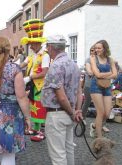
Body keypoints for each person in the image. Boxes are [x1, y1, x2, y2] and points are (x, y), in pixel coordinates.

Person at [0, 37, 30, 165]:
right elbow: (21, 96)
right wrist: (28, 118)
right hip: (9, 114)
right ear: (8, 50)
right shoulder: (14, 69)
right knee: (9, 151)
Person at [41, 35, 83, 165]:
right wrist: (77, 110)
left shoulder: (56, 66)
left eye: (47, 47)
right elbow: (79, 91)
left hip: (57, 113)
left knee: (58, 155)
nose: (46, 50)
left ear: (51, 47)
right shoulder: (74, 65)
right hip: (68, 113)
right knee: (68, 149)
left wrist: (72, 112)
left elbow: (61, 96)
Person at [19, 19, 50, 142]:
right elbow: (22, 64)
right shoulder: (32, 55)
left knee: (40, 108)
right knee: (33, 107)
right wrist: (11, 67)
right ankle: (35, 129)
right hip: (32, 85)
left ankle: (42, 132)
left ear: (37, 43)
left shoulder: (45, 55)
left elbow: (44, 72)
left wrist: (29, 77)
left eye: (32, 44)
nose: (30, 46)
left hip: (40, 86)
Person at [90, 40, 117, 138]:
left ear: (105, 49)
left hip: (107, 86)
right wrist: (109, 74)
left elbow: (115, 74)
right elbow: (96, 74)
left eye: (99, 48)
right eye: (96, 48)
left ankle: (94, 125)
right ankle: (99, 137)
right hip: (95, 86)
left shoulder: (110, 60)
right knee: (100, 112)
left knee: (107, 113)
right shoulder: (93, 58)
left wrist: (103, 75)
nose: (97, 50)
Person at [81, 46, 96, 119]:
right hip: (88, 84)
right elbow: (89, 72)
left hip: (98, 85)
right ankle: (82, 117)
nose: (92, 52)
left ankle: (100, 123)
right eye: (91, 50)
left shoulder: (100, 60)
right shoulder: (88, 60)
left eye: (93, 50)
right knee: (87, 101)